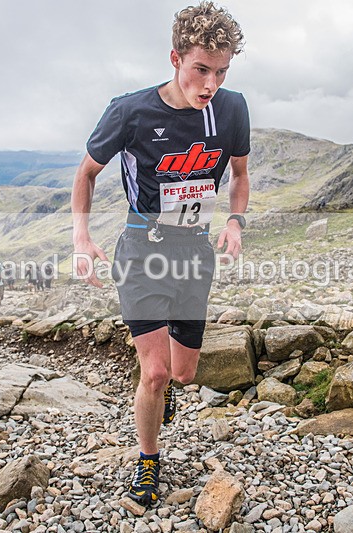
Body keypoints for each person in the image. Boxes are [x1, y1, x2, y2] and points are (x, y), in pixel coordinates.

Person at [70, 1, 249, 507]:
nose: (209, 83)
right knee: (154, 371)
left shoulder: (232, 109)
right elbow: (85, 174)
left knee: (184, 374)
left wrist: (235, 222)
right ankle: (149, 462)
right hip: (143, 252)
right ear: (175, 59)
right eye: (200, 69)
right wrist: (81, 239)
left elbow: (239, 176)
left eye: (221, 71)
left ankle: (165, 388)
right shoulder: (131, 111)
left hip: (194, 254)